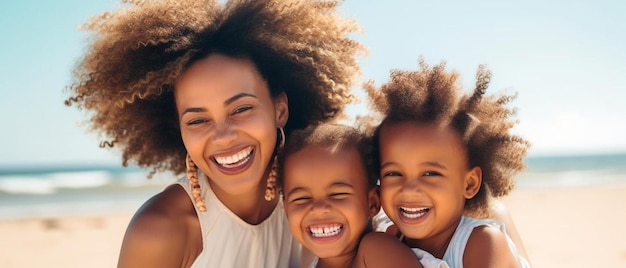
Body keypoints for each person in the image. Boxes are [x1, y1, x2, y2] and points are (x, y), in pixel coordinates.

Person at [65, 0, 365, 267]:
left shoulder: (315, 204)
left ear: (280, 109)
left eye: (240, 110)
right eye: (197, 121)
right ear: (178, 129)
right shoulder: (161, 229)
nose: (222, 136)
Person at [364, 59, 532, 267]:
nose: (409, 189)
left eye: (430, 173)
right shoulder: (389, 239)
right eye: (393, 173)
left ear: (469, 184)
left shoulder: (482, 241)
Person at [277, 124, 423, 268]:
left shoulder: (376, 250)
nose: (319, 209)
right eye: (301, 198)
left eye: (338, 194)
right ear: (286, 208)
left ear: (372, 202)